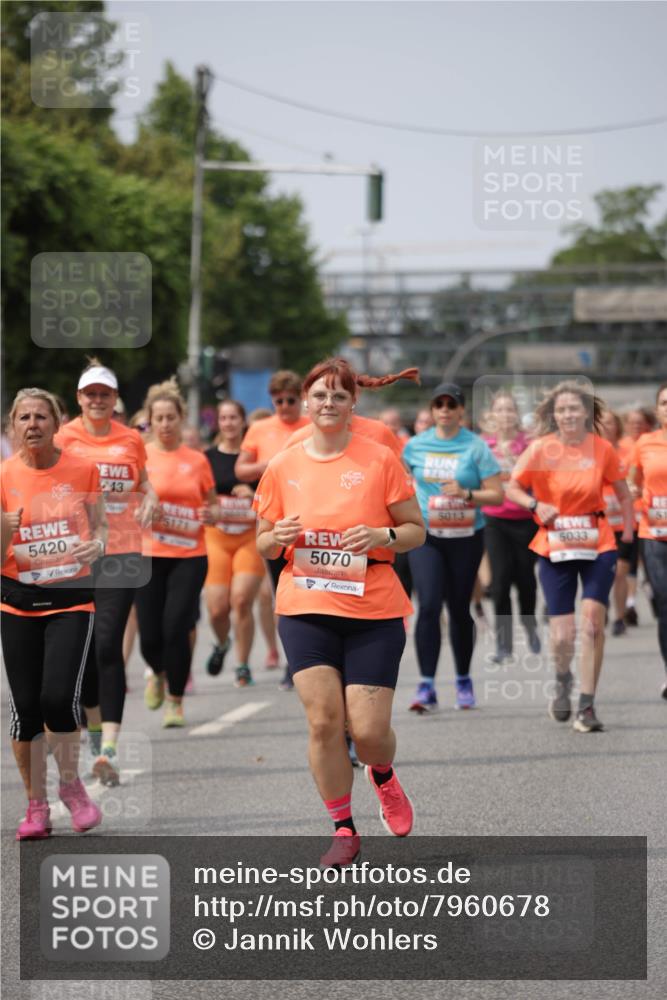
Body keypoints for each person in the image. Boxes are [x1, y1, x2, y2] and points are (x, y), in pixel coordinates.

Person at [255, 357, 424, 866]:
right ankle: (343, 827)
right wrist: (275, 538)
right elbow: (262, 543)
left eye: (339, 396)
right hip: (306, 604)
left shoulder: (378, 458)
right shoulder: (284, 464)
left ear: (354, 405)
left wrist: (381, 535)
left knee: (369, 733)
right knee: (325, 721)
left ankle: (382, 774)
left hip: (372, 603)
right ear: (305, 403)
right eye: (320, 396)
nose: (329, 404)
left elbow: (417, 529)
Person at [1, 388, 107, 839]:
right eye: (23, 417)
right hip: (17, 601)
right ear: (13, 425)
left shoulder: (82, 469)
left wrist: (97, 543)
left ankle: (72, 787)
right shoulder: (3, 475)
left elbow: (101, 523)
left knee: (58, 699)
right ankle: (36, 805)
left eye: (41, 416)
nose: (32, 424)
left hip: (70, 600)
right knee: (26, 710)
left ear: (56, 422)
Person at [506, 381, 634, 732]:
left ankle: (587, 706)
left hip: (598, 542)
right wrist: (536, 504)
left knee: (592, 623)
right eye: (561, 410)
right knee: (563, 634)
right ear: (552, 415)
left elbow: (622, 492)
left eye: (575, 409)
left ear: (587, 414)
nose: (568, 415)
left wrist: (628, 530)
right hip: (555, 544)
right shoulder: (539, 449)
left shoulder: (602, 449)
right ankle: (563, 679)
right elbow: (512, 488)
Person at [56, 360, 158, 786]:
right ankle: (94, 732)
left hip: (122, 551)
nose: (97, 400)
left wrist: (150, 497)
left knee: (107, 641)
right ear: (79, 399)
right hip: (77, 553)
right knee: (84, 649)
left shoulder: (131, 439)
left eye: (105, 394)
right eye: (90, 393)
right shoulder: (64, 438)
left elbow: (145, 482)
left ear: (115, 400)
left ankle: (110, 746)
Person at [403, 382, 503, 713]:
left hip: (465, 536)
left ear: (461, 411)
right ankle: (427, 685)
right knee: (428, 605)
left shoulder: (475, 447)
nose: (444, 409)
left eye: (451, 404)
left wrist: (467, 494)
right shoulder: (415, 446)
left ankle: (463, 679)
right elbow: (400, 485)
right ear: (432, 411)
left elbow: (497, 495)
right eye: (438, 404)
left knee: (459, 608)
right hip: (427, 536)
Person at [135, 379, 217, 728]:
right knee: (150, 635)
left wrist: (209, 514)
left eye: (171, 417)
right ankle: (156, 671)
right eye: (159, 418)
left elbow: (211, 505)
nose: (165, 424)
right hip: (147, 553)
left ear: (182, 419)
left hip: (189, 554)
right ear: (150, 421)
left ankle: (176, 701)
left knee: (176, 627)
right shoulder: (139, 456)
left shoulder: (197, 460)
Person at [235, 370, 309, 689]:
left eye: (291, 400)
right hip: (273, 519)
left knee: (308, 590)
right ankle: (291, 658)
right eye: (278, 400)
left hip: (309, 518)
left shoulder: (310, 427)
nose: (285, 406)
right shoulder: (260, 428)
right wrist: (269, 465)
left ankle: (303, 660)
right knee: (282, 593)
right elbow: (241, 468)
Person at [203, 400, 265, 687]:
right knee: (217, 608)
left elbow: (274, 498)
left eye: (233, 418)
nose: (228, 423)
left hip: (248, 538)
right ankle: (221, 643)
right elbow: (196, 495)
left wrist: (252, 497)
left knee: (241, 600)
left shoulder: (255, 460)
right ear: (218, 423)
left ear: (243, 422)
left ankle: (242, 664)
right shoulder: (207, 458)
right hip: (216, 537)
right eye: (223, 418)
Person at [481, 392, 540, 661]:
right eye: (500, 410)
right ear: (492, 415)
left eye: (509, 409)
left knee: (526, 580)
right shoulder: (484, 444)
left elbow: (540, 478)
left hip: (525, 519)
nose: (505, 414)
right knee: (501, 580)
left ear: (516, 414)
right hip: (495, 519)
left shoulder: (529, 443)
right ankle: (504, 644)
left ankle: (530, 625)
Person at [629, 384, 667, 699]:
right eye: (665, 403)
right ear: (658, 410)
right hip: (655, 534)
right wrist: (637, 500)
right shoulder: (644, 443)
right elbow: (632, 481)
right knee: (665, 604)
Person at [620, 406, 656, 625]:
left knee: (646, 564)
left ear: (648, 424)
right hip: (628, 516)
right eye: (631, 422)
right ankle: (631, 603)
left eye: (639, 422)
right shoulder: (622, 446)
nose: (635, 426)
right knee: (629, 564)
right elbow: (629, 478)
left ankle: (651, 591)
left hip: (651, 516)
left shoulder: (653, 443)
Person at [599, 409, 634, 636]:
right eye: (601, 423)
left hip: (624, 523)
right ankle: (602, 603)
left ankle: (619, 617)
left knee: (620, 572)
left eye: (610, 422)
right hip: (601, 526)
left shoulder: (628, 450)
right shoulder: (590, 452)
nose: (606, 427)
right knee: (604, 574)